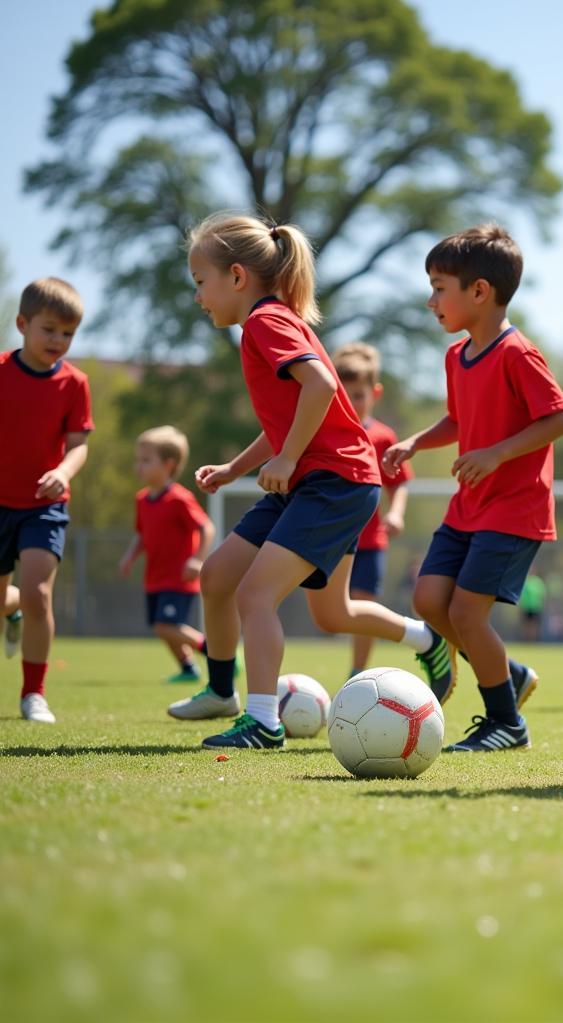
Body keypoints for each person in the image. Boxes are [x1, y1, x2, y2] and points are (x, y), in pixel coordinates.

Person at [168, 212, 452, 748]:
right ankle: (423, 637)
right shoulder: (272, 320)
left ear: (236, 276)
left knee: (254, 594)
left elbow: (320, 386)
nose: (198, 296)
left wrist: (286, 458)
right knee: (239, 582)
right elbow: (289, 415)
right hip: (314, 480)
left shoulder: (264, 322)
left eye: (200, 282)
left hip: (334, 482)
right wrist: (240, 466)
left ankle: (263, 721)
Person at [384, 225, 563, 753]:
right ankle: (506, 675)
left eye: (439, 287)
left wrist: (495, 455)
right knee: (428, 598)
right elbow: (457, 419)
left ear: (479, 292)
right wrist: (417, 443)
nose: (430, 300)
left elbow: (559, 419)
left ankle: (506, 722)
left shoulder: (519, 354)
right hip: (468, 508)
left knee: (467, 613)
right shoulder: (455, 357)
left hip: (516, 510)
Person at [0, 278, 92, 723]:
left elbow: (79, 444)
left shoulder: (75, 384)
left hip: (43, 506)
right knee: (10, 600)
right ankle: (9, 608)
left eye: (68, 334)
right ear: (22, 324)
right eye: (49, 329)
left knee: (39, 594)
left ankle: (33, 694)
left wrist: (62, 471)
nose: (59, 341)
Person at [332, 341, 423, 678]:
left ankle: (356, 672)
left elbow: (398, 484)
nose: (350, 402)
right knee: (329, 612)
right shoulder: (322, 432)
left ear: (375, 393)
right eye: (342, 393)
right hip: (328, 540)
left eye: (357, 395)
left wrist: (395, 513)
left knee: (363, 602)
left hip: (369, 542)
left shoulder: (383, 438)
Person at [118, 426, 215, 682]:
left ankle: (217, 653)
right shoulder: (141, 499)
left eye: (146, 461)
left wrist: (197, 560)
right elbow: (142, 534)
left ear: (168, 464)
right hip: (155, 577)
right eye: (138, 460)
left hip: (179, 579)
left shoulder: (179, 499)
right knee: (162, 628)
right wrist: (130, 556)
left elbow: (206, 527)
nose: (139, 466)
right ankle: (188, 668)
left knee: (166, 626)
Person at [519, 574, 546, 642]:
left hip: (536, 607)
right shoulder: (525, 582)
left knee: (534, 625)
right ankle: (526, 640)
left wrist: (542, 605)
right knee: (526, 625)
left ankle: (533, 640)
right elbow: (521, 595)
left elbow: (542, 595)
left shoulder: (538, 582)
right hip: (526, 607)